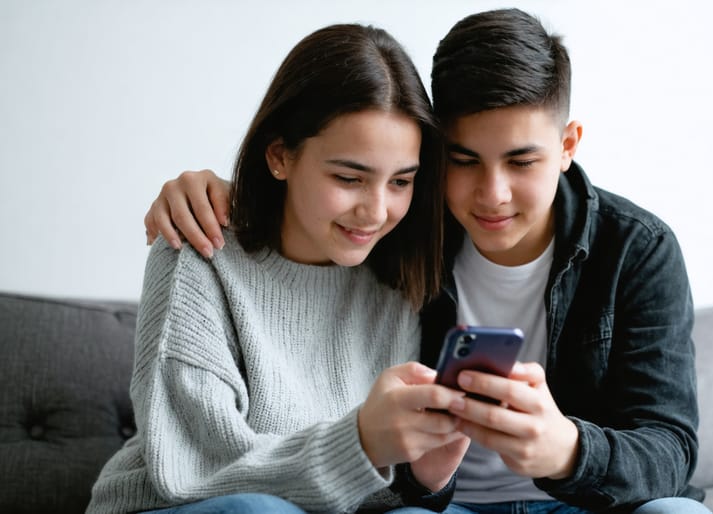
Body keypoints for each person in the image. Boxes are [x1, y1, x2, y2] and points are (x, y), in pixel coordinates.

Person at [144, 9, 712, 514]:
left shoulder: (633, 249)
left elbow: (670, 447)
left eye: (521, 162)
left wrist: (566, 450)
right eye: (463, 160)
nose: (492, 195)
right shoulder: (398, 241)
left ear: (567, 145)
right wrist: (215, 190)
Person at [88, 23, 473, 514]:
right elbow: (194, 469)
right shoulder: (199, 248)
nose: (377, 211)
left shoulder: (395, 281)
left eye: (401, 181)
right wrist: (361, 443)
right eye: (349, 177)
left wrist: (427, 479)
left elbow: (367, 493)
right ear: (279, 156)